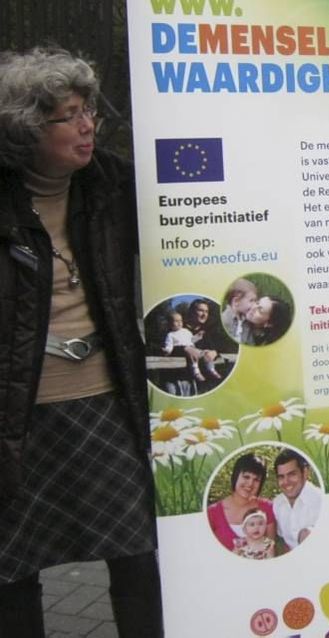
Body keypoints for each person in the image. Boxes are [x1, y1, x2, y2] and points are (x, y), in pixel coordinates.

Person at [0, 47, 163, 637]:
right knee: (13, 567)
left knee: (138, 551)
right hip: (20, 412)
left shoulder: (112, 183)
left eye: (87, 109)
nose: (88, 124)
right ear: (24, 128)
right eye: (68, 115)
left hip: (106, 396)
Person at [206, 453, 277, 551]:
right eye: (246, 477)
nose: (250, 484)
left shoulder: (267, 508)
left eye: (256, 480)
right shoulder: (212, 512)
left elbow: (270, 550)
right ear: (236, 476)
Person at [272, 449, 322, 551]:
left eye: (292, 474)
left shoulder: (321, 500)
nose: (286, 482)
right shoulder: (277, 503)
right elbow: (283, 542)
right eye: (281, 477)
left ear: (305, 472)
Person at [161, 311, 218, 382]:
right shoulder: (170, 334)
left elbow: (191, 340)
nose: (179, 323)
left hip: (193, 349)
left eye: (180, 320)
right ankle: (196, 372)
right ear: (170, 324)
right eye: (176, 321)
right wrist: (167, 350)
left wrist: (198, 336)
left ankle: (211, 369)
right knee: (190, 351)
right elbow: (169, 345)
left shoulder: (187, 331)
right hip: (182, 351)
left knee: (207, 352)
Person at [221, 277, 257, 343]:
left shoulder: (247, 321)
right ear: (236, 301)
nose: (255, 305)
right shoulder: (224, 320)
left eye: (255, 301)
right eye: (251, 300)